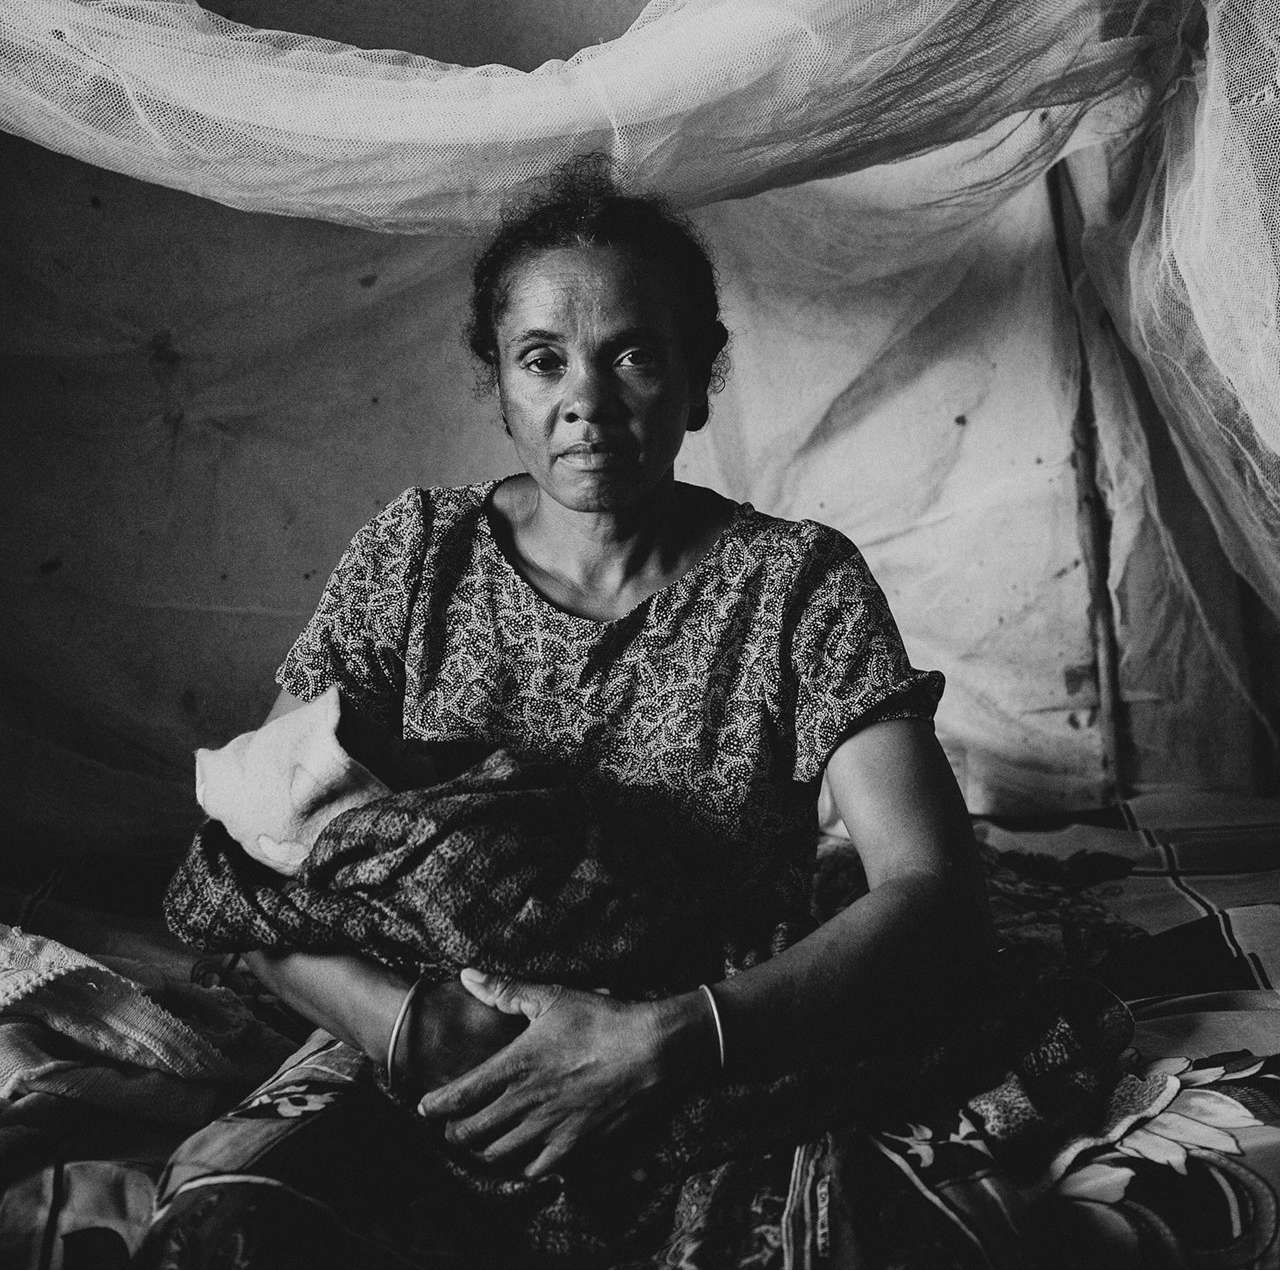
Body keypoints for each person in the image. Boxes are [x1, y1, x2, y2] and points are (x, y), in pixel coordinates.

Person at [152, 155, 993, 1268]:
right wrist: (417, 1035)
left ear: (699, 379)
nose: (585, 402)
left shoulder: (794, 585)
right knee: (233, 1228)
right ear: (497, 385)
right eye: (541, 359)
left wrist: (663, 1043)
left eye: (634, 354)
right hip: (424, 1032)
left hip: (702, 1026)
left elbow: (931, 892)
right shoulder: (413, 558)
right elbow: (260, 856)